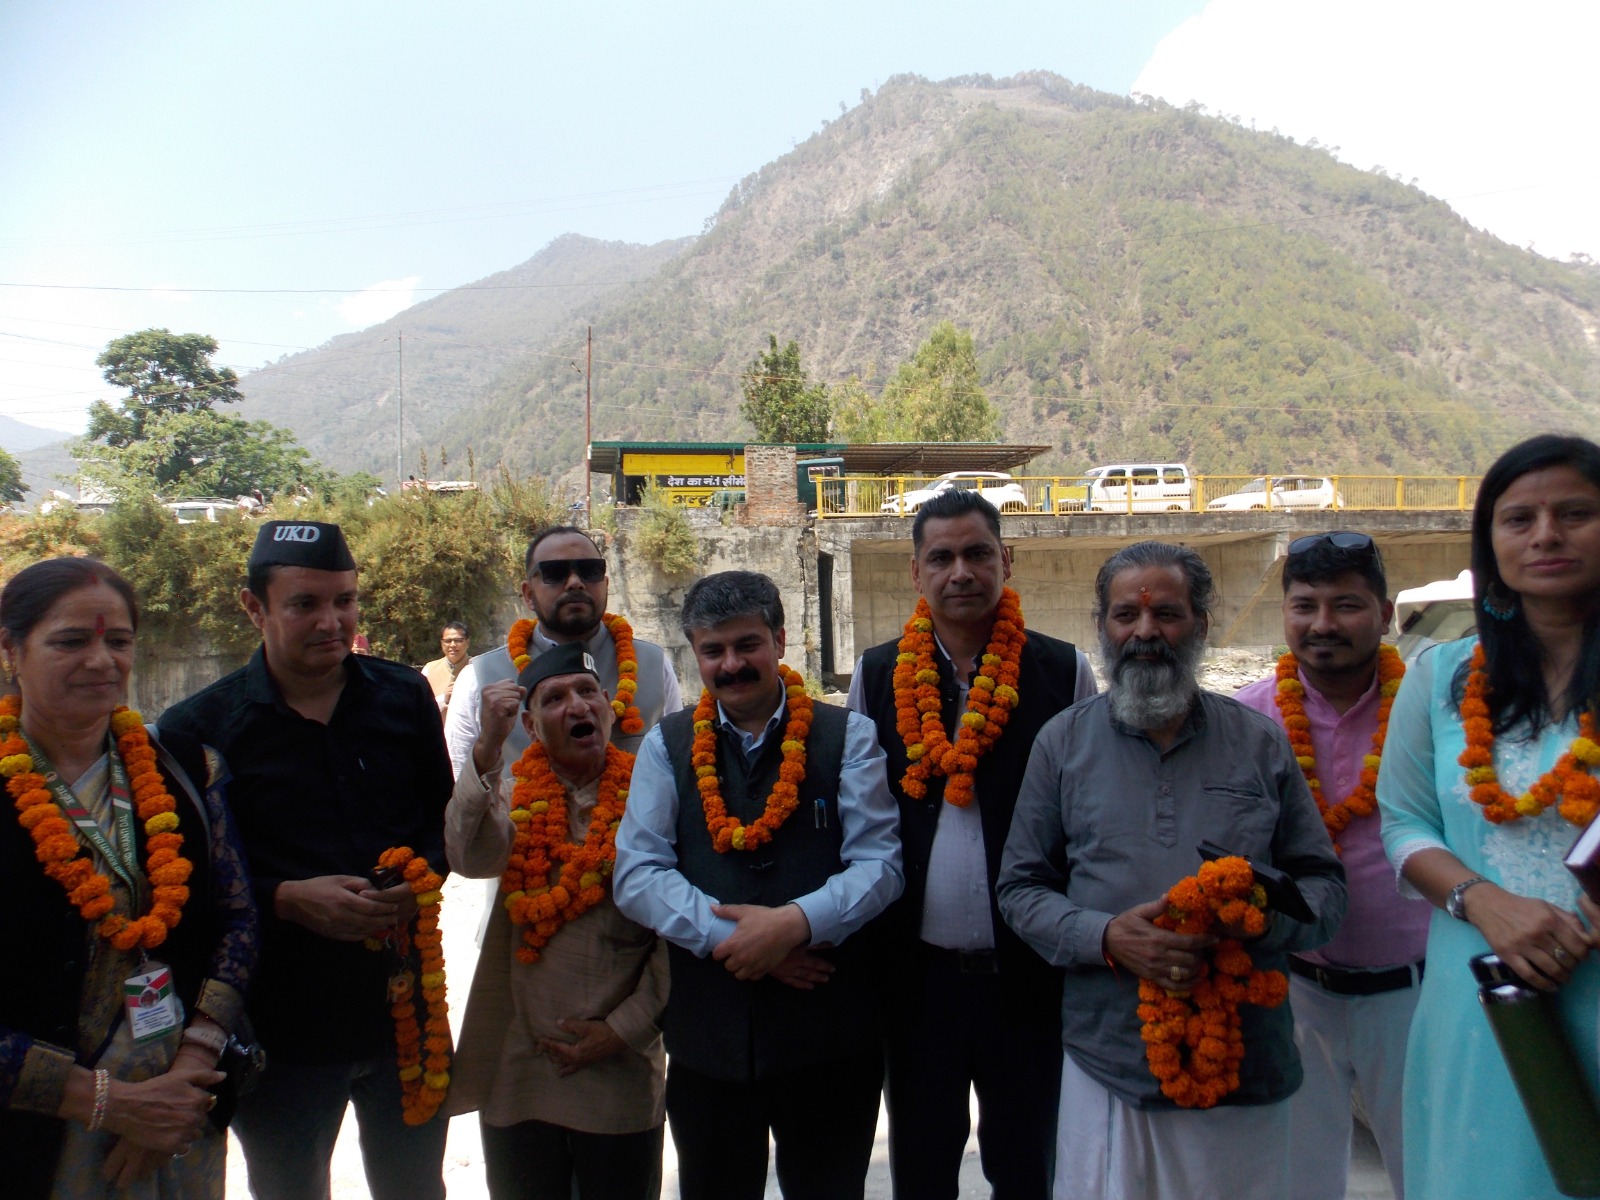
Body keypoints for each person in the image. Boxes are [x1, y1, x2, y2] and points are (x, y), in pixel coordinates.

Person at [998, 540, 1346, 1200]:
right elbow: (1019, 889)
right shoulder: (1063, 742)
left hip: (1245, 1061)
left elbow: (1325, 890)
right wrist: (1107, 937)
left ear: (1202, 624)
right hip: (1110, 1061)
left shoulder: (1258, 741)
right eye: (1126, 615)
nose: (1145, 632)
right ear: (1102, 626)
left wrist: (1256, 922)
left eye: (1167, 614)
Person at [159, 521, 454, 1200]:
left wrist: (420, 879)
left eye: (345, 601)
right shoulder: (197, 730)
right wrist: (285, 898)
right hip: (282, 1028)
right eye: (305, 604)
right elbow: (187, 891)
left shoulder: (403, 696)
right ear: (253, 607)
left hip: (406, 1010)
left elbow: (443, 827)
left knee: (416, 1187)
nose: (332, 622)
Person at [614, 570, 903, 1200]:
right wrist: (737, 941)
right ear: (695, 653)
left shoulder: (848, 735)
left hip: (829, 1038)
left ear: (779, 640)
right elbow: (637, 873)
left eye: (747, 644)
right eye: (713, 650)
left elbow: (880, 865)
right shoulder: (667, 745)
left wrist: (794, 924)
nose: (731, 665)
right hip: (710, 1041)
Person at [846, 487, 1095, 1199]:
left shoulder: (1063, 672)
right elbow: (862, 823)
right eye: (942, 557)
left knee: (1027, 1168)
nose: (961, 572)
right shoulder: (877, 674)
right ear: (916, 572)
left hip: (1028, 979)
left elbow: (1086, 821)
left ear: (1006, 560)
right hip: (916, 983)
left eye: (978, 553)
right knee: (922, 1171)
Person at [1377, 434, 1600, 1200]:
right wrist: (1484, 902)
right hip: (1486, 1003)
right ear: (1491, 542)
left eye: (1575, 513)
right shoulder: (1442, 676)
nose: (1546, 535)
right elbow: (1404, 826)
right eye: (1519, 519)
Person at [0, 557, 258, 1199]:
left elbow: (237, 919)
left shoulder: (187, 768)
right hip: (31, 1131)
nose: (101, 661)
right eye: (70, 641)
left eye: (118, 641)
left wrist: (188, 1075)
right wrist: (110, 1103)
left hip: (179, 1113)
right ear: (10, 650)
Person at [1234, 531, 1427, 1199]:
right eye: (1305, 605)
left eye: (1346, 605)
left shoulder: (1429, 711)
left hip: (1416, 996)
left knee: (1433, 1175)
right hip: (1293, 991)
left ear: (1386, 613)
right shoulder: (1245, 719)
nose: (1322, 624)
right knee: (1295, 1182)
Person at [444, 641, 667, 1200]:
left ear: (610, 707)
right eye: (554, 698)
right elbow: (469, 857)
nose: (577, 706)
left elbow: (677, 939)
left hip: (618, 1068)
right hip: (519, 1066)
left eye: (588, 692)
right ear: (529, 725)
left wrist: (623, 1029)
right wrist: (487, 748)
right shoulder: (513, 794)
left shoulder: (655, 798)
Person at [444, 525, 681, 777]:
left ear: (605, 584)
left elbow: (678, 766)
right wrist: (488, 744)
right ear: (528, 594)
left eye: (590, 571)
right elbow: (457, 780)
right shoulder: (479, 678)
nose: (575, 583)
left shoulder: (653, 665)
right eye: (555, 573)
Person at [421, 621, 470, 716]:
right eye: (448, 641)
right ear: (442, 643)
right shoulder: (429, 669)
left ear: (467, 642)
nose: (452, 645)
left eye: (458, 640)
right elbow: (420, 707)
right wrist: (443, 699)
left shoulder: (476, 669)